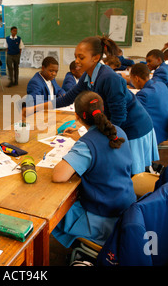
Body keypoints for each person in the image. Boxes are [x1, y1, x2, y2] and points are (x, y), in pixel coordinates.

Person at [23, 36, 159, 175]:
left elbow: (119, 116)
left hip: (133, 128)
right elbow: (67, 98)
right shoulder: (87, 76)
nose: (76, 61)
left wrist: (100, 139)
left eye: (81, 57)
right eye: (76, 56)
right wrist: (34, 108)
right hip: (119, 126)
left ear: (95, 58)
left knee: (131, 173)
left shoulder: (109, 78)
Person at [51, 91, 136, 248]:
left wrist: (82, 143)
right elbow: (103, 148)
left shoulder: (86, 146)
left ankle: (84, 254)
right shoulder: (118, 131)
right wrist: (81, 139)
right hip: (126, 208)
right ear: (103, 109)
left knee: (53, 216)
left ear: (77, 117)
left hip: (102, 219)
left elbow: (59, 176)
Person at [130, 63, 168, 145]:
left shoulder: (144, 94)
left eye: (131, 79)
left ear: (136, 78)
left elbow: (132, 113)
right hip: (166, 129)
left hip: (155, 135)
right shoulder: (160, 85)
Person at [146, 49, 168, 117]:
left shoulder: (161, 70)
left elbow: (152, 87)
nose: (147, 64)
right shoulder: (165, 67)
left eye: (149, 61)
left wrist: (134, 82)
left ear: (158, 60)